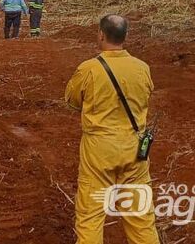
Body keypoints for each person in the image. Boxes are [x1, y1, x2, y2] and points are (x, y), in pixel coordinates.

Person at [65, 15, 159, 244]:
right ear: (125, 36)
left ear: (101, 34)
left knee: (91, 214)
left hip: (99, 149)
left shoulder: (88, 69)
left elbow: (72, 101)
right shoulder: (142, 68)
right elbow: (146, 95)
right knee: (141, 216)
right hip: (134, 148)